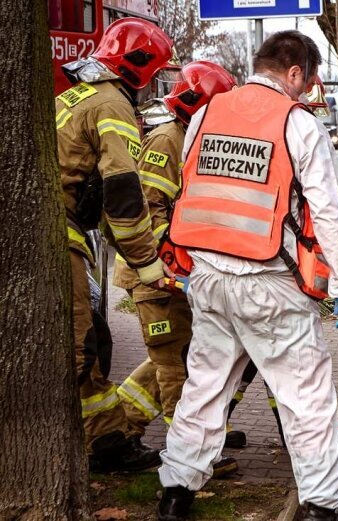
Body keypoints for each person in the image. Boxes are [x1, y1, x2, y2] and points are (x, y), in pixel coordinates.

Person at [156, 30, 338, 521]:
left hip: (206, 278)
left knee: (203, 391)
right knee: (305, 400)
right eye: (307, 83)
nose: (306, 94)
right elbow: (329, 214)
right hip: (268, 284)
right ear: (294, 74)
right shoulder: (298, 124)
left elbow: (195, 186)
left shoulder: (206, 113)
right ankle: (321, 508)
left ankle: (175, 497)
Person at [57, 17, 178, 472]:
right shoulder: (113, 107)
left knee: (90, 340)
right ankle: (87, 447)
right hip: (61, 234)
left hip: (67, 232)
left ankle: (106, 442)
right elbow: (123, 198)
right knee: (78, 344)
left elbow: (107, 207)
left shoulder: (81, 95)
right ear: (141, 68)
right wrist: (149, 264)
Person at [112, 60, 240, 476]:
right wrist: (179, 263)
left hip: (175, 274)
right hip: (154, 274)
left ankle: (116, 430)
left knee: (167, 354)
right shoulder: (168, 140)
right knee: (174, 363)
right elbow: (150, 211)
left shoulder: (190, 135)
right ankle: (190, 453)